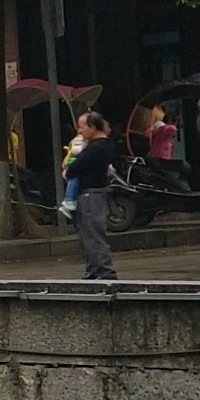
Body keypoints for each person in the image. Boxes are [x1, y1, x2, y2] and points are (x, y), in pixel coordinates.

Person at [68, 112, 123, 280]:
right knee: (88, 235)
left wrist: (68, 170)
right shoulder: (103, 145)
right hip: (93, 193)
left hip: (91, 194)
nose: (79, 131)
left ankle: (104, 271)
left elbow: (75, 167)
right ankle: (93, 270)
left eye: (82, 127)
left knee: (93, 234)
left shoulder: (97, 147)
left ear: (92, 127)